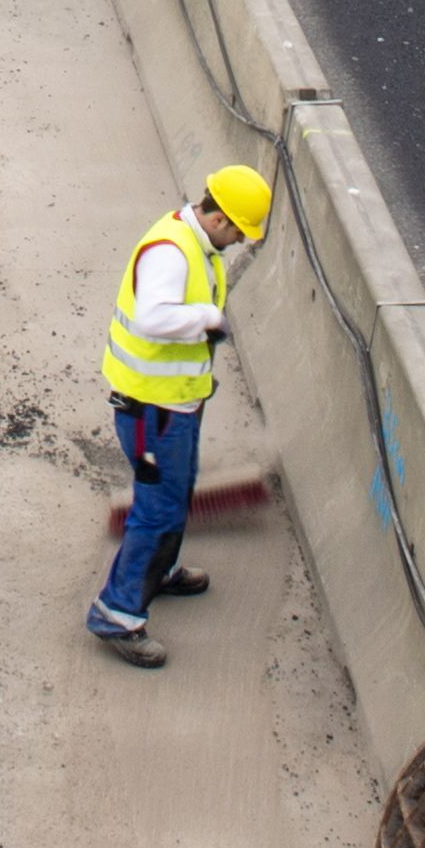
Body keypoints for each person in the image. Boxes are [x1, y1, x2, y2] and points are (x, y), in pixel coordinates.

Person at [89, 163, 273, 667]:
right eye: (238, 231)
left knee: (176, 492)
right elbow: (152, 317)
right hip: (152, 414)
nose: (238, 241)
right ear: (219, 220)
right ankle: (117, 614)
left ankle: (159, 572)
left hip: (175, 408)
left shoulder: (198, 245)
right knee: (157, 509)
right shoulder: (172, 252)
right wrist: (206, 319)